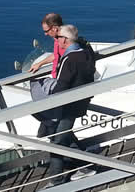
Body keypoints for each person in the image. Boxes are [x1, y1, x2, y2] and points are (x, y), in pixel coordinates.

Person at [44, 25, 97, 185]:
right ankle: (85, 166)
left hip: (68, 105)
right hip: (80, 101)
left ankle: (56, 180)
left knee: (57, 141)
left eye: (58, 37)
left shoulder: (69, 59)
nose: (56, 39)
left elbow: (62, 85)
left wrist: (49, 98)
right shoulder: (86, 53)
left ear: (65, 40)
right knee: (65, 135)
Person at [27, 13, 66, 78]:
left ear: (54, 28)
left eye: (46, 31)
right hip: (57, 77)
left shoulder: (65, 42)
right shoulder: (58, 39)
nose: (45, 34)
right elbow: (56, 55)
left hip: (62, 80)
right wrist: (39, 64)